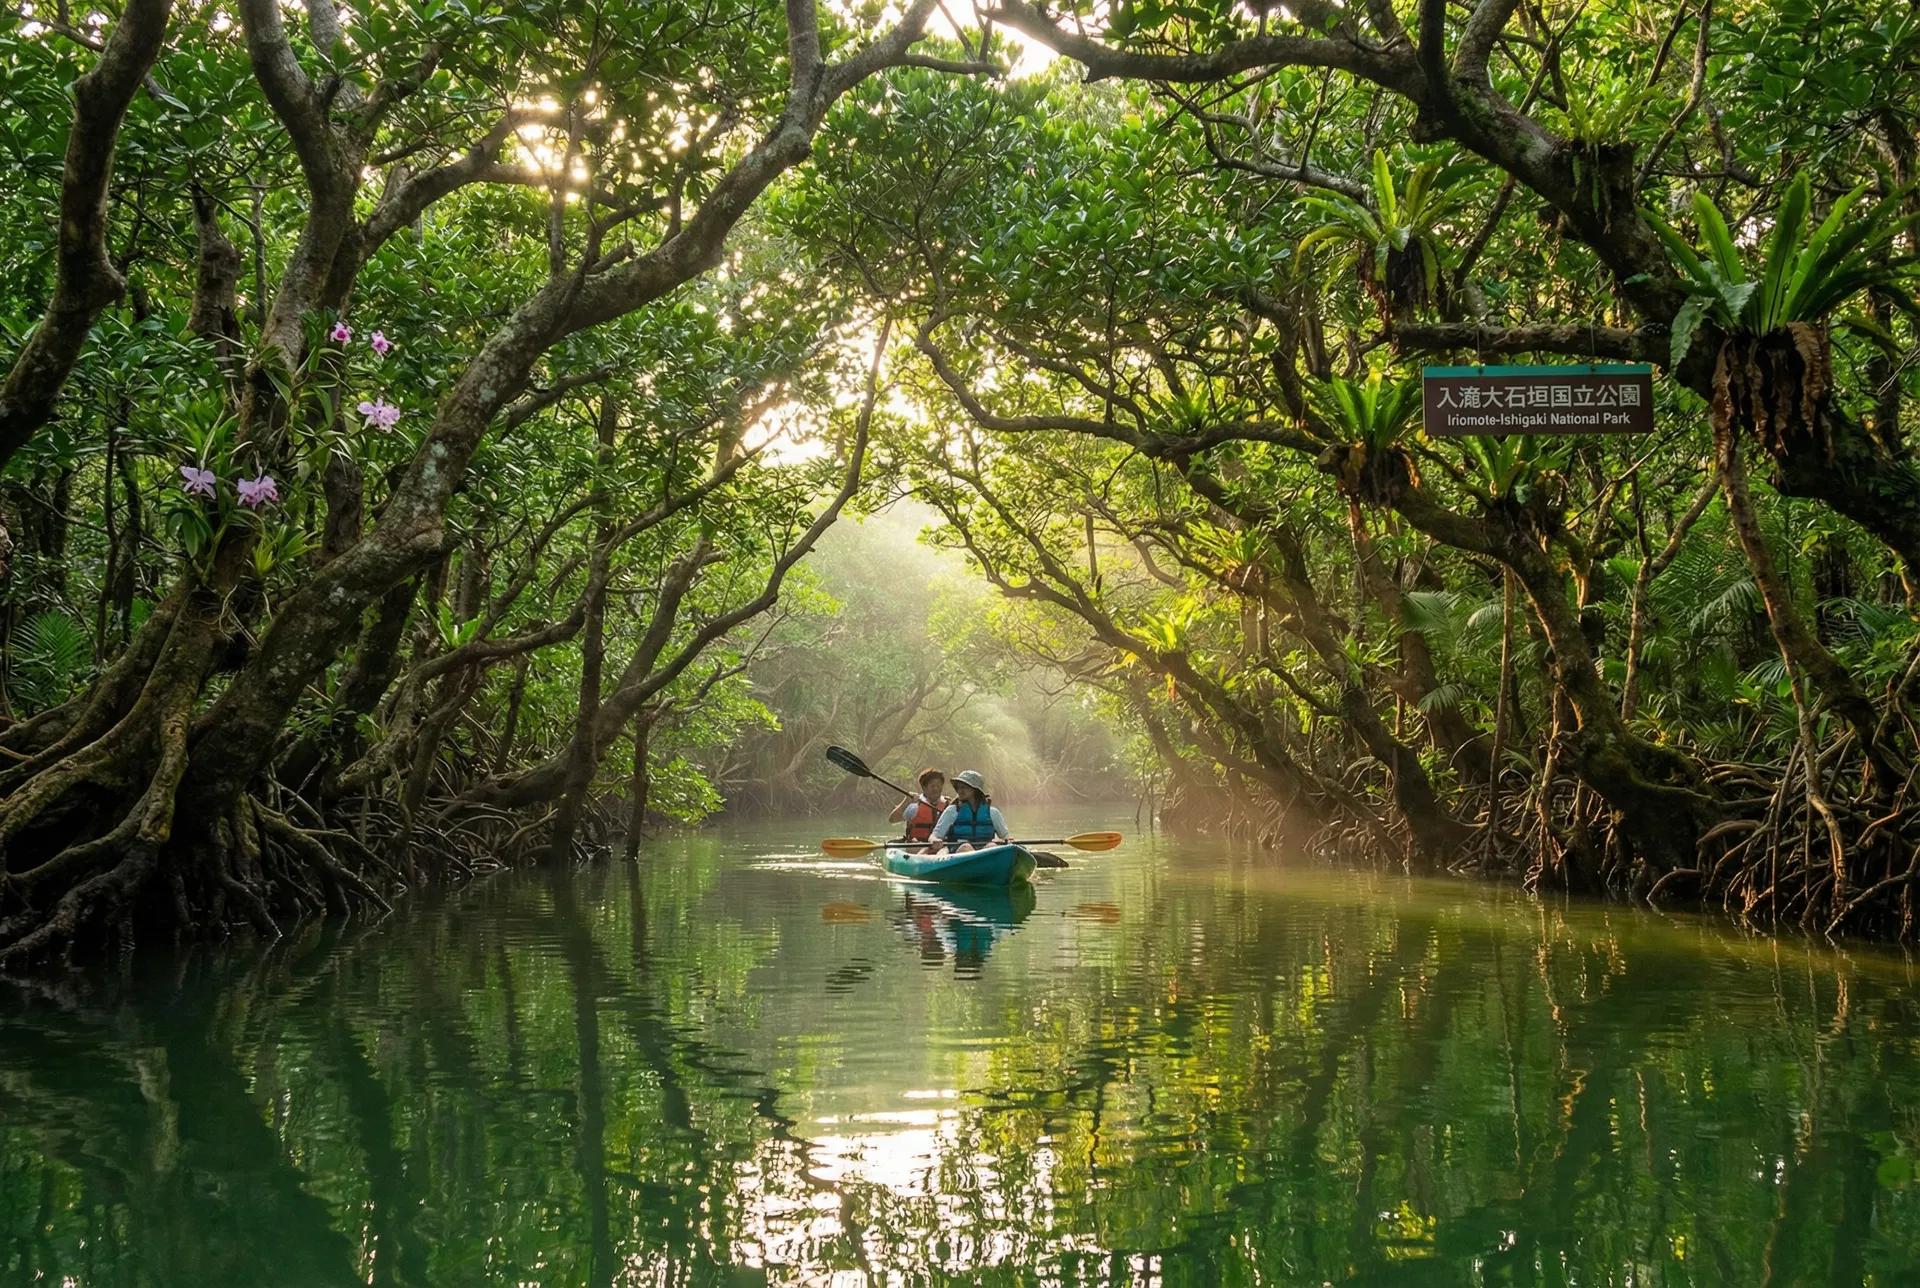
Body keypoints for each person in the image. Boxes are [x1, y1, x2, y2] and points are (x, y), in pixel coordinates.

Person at [928, 770, 1008, 852]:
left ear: (975, 790)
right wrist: (934, 840)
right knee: (966, 847)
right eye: (958, 788)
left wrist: (1008, 840)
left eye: (963, 787)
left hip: (985, 854)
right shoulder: (952, 811)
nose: (959, 791)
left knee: (992, 846)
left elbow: (1006, 837)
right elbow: (935, 835)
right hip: (958, 852)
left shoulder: (993, 813)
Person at [889, 769, 948, 850]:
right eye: (932, 786)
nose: (936, 789)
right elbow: (892, 819)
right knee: (916, 849)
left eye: (938, 786)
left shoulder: (948, 804)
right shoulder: (914, 805)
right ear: (924, 788)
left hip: (939, 846)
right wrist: (906, 802)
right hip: (916, 845)